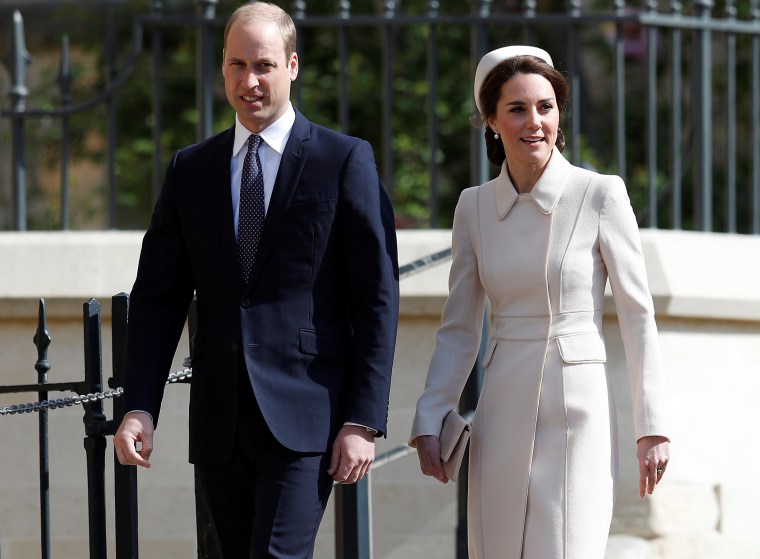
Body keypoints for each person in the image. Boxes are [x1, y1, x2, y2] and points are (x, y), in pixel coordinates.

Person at [113, 2, 399, 558]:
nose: (250, 81)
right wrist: (140, 405)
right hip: (219, 423)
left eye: (264, 65)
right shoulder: (190, 170)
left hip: (304, 417)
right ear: (222, 70)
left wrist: (363, 419)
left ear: (292, 66)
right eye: (237, 65)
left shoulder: (343, 161)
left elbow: (377, 298)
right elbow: (157, 299)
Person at [410, 45, 670, 558]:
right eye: (517, 109)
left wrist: (652, 427)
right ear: (490, 120)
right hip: (500, 408)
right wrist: (429, 416)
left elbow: (639, 317)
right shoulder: (473, 207)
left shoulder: (600, 194)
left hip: (578, 410)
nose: (535, 122)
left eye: (546, 107)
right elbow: (459, 328)